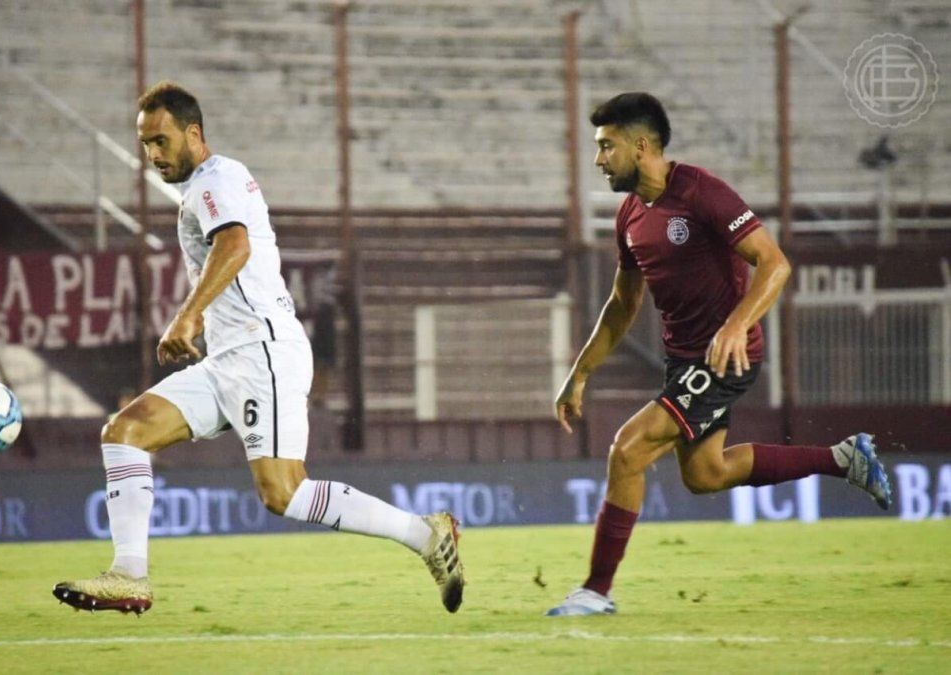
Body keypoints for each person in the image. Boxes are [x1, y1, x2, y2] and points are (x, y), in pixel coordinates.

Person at [53, 82, 464, 615]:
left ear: (193, 133)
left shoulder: (216, 179)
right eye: (145, 144)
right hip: (227, 357)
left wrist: (188, 313)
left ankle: (426, 534)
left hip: (261, 351)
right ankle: (130, 576)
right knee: (125, 432)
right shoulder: (202, 187)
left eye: (161, 140)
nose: (153, 155)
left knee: (284, 493)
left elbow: (236, 243)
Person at [546, 92, 891, 617]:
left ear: (641, 146)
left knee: (627, 450)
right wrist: (579, 373)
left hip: (723, 358)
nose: (598, 160)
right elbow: (621, 305)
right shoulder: (630, 216)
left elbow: (774, 264)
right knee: (705, 474)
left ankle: (595, 591)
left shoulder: (702, 193)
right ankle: (844, 459)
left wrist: (735, 326)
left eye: (606, 146)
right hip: (684, 361)